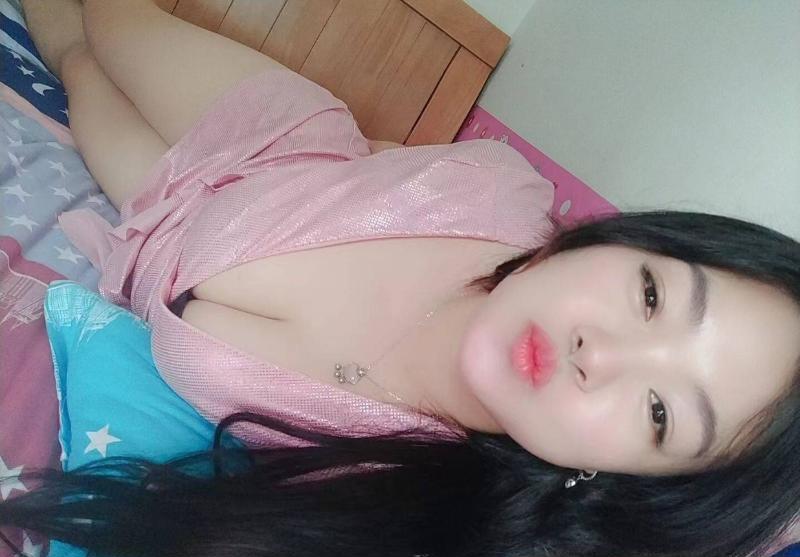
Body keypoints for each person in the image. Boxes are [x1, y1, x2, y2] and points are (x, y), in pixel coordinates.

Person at [4, 1, 800, 556]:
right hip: (265, 134)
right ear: (626, 241)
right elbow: (375, 157)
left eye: (659, 413)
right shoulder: (501, 191)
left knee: (78, 71)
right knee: (108, 20)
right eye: (653, 295)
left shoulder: (378, 490)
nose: (602, 352)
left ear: (624, 482)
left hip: (155, 237)